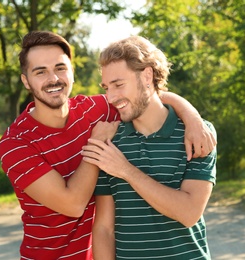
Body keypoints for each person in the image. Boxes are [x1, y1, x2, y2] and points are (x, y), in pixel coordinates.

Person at [0, 31, 216, 260]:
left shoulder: (96, 110)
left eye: (60, 68)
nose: (53, 78)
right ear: (26, 81)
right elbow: (73, 204)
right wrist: (98, 143)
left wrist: (194, 119)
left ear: (72, 71)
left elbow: (148, 96)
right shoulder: (15, 143)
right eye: (40, 71)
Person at [82, 36, 217, 260]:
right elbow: (105, 229)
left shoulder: (198, 134)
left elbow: (189, 213)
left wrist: (125, 171)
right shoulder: (110, 141)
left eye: (118, 84)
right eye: (107, 87)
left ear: (147, 76)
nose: (111, 97)